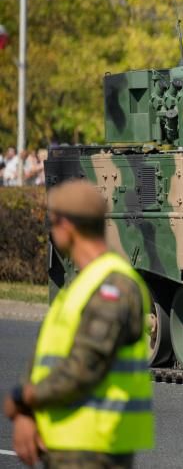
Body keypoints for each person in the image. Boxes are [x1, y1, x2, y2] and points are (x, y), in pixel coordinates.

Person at [3, 179, 154, 468]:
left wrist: (24, 399)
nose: (49, 229)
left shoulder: (114, 286)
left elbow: (85, 367)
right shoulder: (82, 285)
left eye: (51, 221)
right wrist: (27, 416)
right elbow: (47, 358)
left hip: (96, 451)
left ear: (68, 226)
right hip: (64, 446)